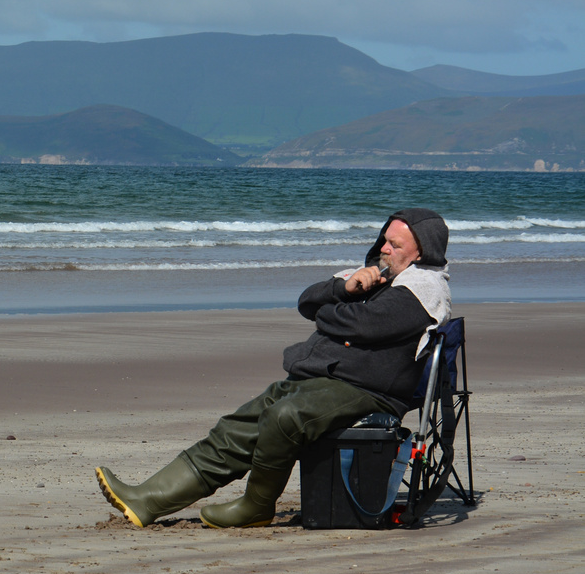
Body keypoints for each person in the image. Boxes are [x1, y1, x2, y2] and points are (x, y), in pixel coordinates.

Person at [95, 208, 452, 529]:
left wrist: (329, 314)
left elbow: (363, 325)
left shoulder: (423, 287)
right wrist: (344, 288)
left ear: (421, 251)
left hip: (371, 392)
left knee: (285, 416)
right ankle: (147, 500)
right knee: (240, 424)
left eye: (395, 244)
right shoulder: (376, 275)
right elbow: (308, 301)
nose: (385, 249)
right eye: (384, 241)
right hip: (326, 380)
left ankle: (257, 505)